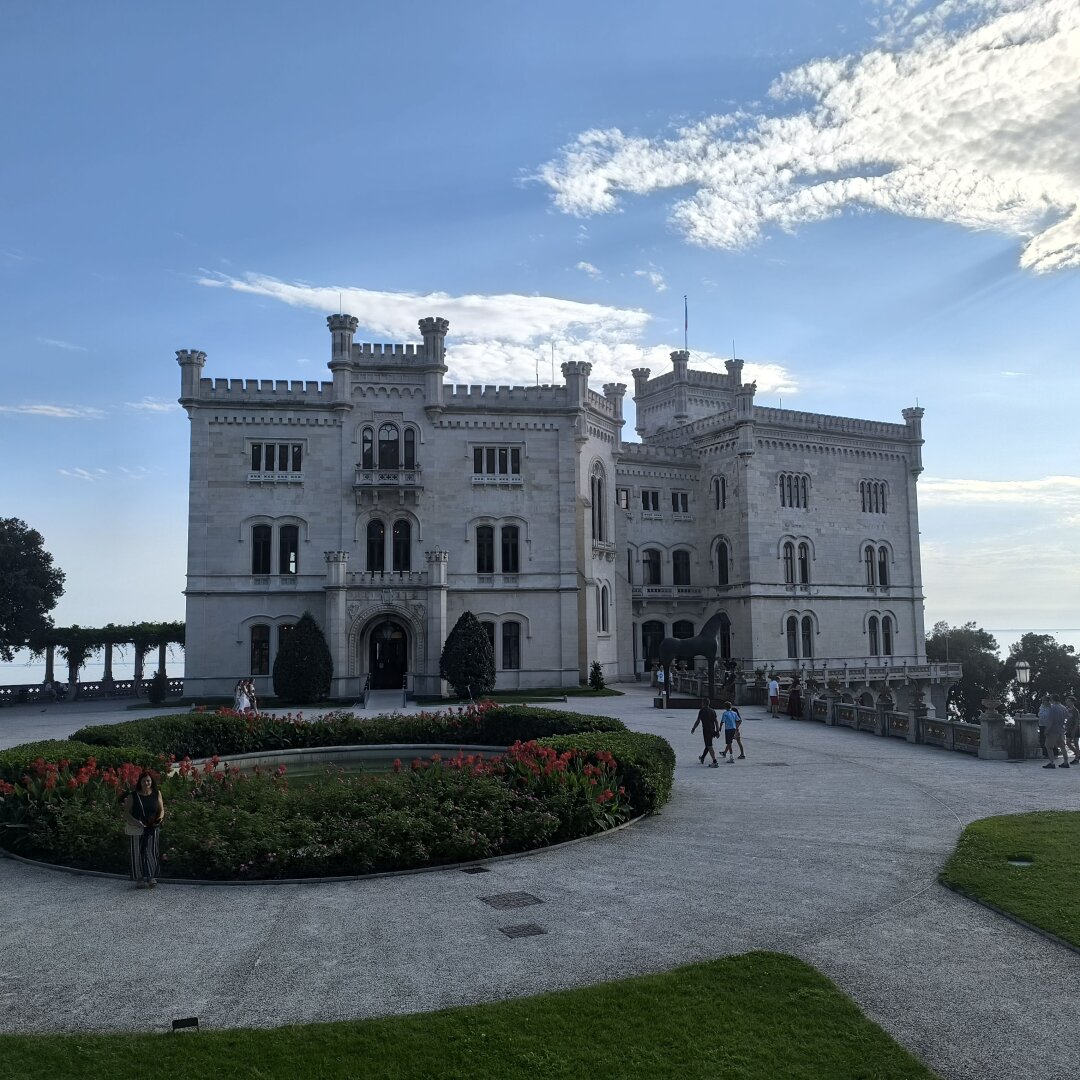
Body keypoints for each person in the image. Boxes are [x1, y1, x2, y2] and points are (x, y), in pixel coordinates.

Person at [123, 771, 165, 888]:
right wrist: (137, 823)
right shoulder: (133, 796)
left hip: (152, 828)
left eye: (148, 781)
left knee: (151, 852)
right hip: (138, 828)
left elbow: (161, 809)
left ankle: (151, 876)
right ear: (140, 782)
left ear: (151, 782)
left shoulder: (157, 793)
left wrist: (160, 819)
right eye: (143, 781)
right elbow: (126, 814)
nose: (146, 783)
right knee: (136, 853)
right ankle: (139, 878)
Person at [1041, 696, 1069, 770]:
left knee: (1049, 746)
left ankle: (1052, 763)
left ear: (1052, 700)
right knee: (1062, 746)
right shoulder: (1063, 708)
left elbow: (1051, 720)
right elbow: (1067, 718)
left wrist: (1047, 730)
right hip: (1061, 730)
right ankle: (1066, 762)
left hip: (1053, 730)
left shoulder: (1053, 708)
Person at [691, 697, 720, 767]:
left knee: (709, 745)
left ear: (703, 703)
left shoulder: (702, 711)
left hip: (706, 730)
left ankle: (714, 761)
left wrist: (693, 728)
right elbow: (716, 722)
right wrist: (718, 731)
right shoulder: (713, 711)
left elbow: (698, 721)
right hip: (712, 730)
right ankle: (702, 757)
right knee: (708, 744)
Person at [1064, 697, 1079, 766]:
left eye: (1069, 701)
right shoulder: (1067, 710)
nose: (1067, 702)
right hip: (1068, 729)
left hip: (1075, 729)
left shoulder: (1075, 711)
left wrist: (1074, 730)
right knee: (1068, 743)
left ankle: (1076, 758)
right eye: (1067, 701)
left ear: (1072, 702)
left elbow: (1076, 722)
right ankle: (1078, 753)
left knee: (1076, 743)